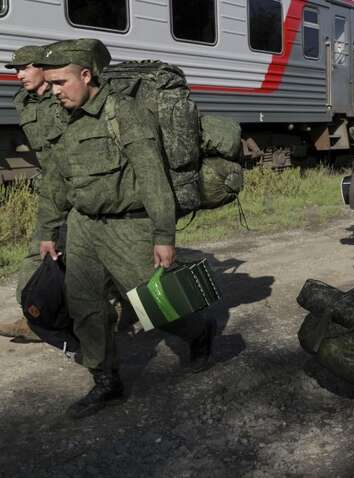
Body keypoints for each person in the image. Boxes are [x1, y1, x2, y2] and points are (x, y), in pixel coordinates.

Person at [36, 39, 215, 419]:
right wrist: (47, 230)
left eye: (61, 82)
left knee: (157, 303)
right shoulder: (62, 118)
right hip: (82, 227)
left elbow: (152, 178)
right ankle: (106, 382)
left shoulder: (124, 113)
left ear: (86, 76)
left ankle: (200, 331)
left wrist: (164, 235)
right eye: (50, 84)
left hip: (128, 226)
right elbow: (54, 180)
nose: (54, 91)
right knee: (85, 308)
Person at [0, 45, 68, 343]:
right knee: (38, 250)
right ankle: (33, 315)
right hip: (54, 187)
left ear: (44, 67)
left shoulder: (65, 96)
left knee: (96, 253)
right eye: (16, 69)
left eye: (25, 67)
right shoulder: (23, 102)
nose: (19, 75)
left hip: (80, 186)